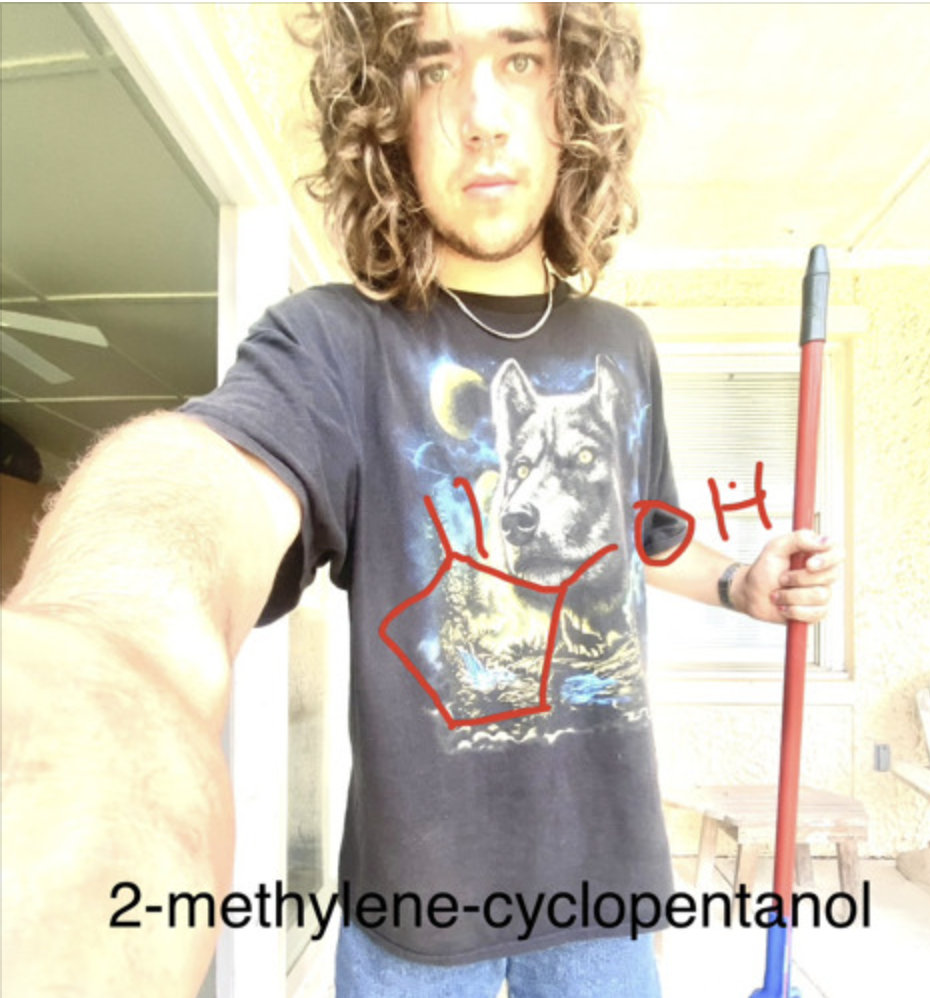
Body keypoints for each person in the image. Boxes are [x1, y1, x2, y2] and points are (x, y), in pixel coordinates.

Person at [0, 4, 842, 996]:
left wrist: (743, 582)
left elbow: (646, 531)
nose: (480, 114)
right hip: (414, 909)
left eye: (520, 59)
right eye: (433, 67)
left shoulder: (623, 347)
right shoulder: (332, 344)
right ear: (384, 116)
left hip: (605, 887)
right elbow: (209, 481)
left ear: (574, 98)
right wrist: (104, 654)